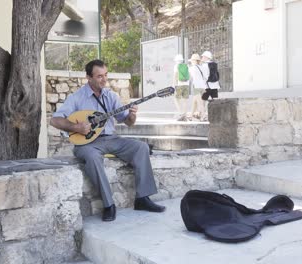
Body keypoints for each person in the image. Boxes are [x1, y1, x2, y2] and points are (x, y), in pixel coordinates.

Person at [50, 59, 166, 222]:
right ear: (88, 77)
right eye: (99, 76)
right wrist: (76, 128)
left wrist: (132, 114)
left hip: (111, 139)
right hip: (87, 143)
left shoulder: (110, 96)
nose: (104, 80)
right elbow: (55, 120)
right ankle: (108, 205)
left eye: (106, 75)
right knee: (92, 157)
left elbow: (127, 122)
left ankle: (142, 199)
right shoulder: (77, 98)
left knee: (141, 148)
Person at [187, 53, 207, 121]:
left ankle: (204, 116)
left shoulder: (191, 68)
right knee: (195, 102)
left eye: (192, 60)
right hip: (203, 87)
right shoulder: (202, 67)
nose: (191, 62)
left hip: (196, 86)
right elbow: (205, 77)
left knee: (200, 102)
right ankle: (191, 116)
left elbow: (189, 78)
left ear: (194, 61)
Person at [172, 54, 190, 121]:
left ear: (176, 60)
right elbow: (190, 75)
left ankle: (181, 113)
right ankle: (184, 115)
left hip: (179, 84)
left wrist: (173, 84)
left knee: (176, 98)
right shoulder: (187, 65)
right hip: (186, 84)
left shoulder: (176, 66)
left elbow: (175, 75)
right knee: (185, 100)